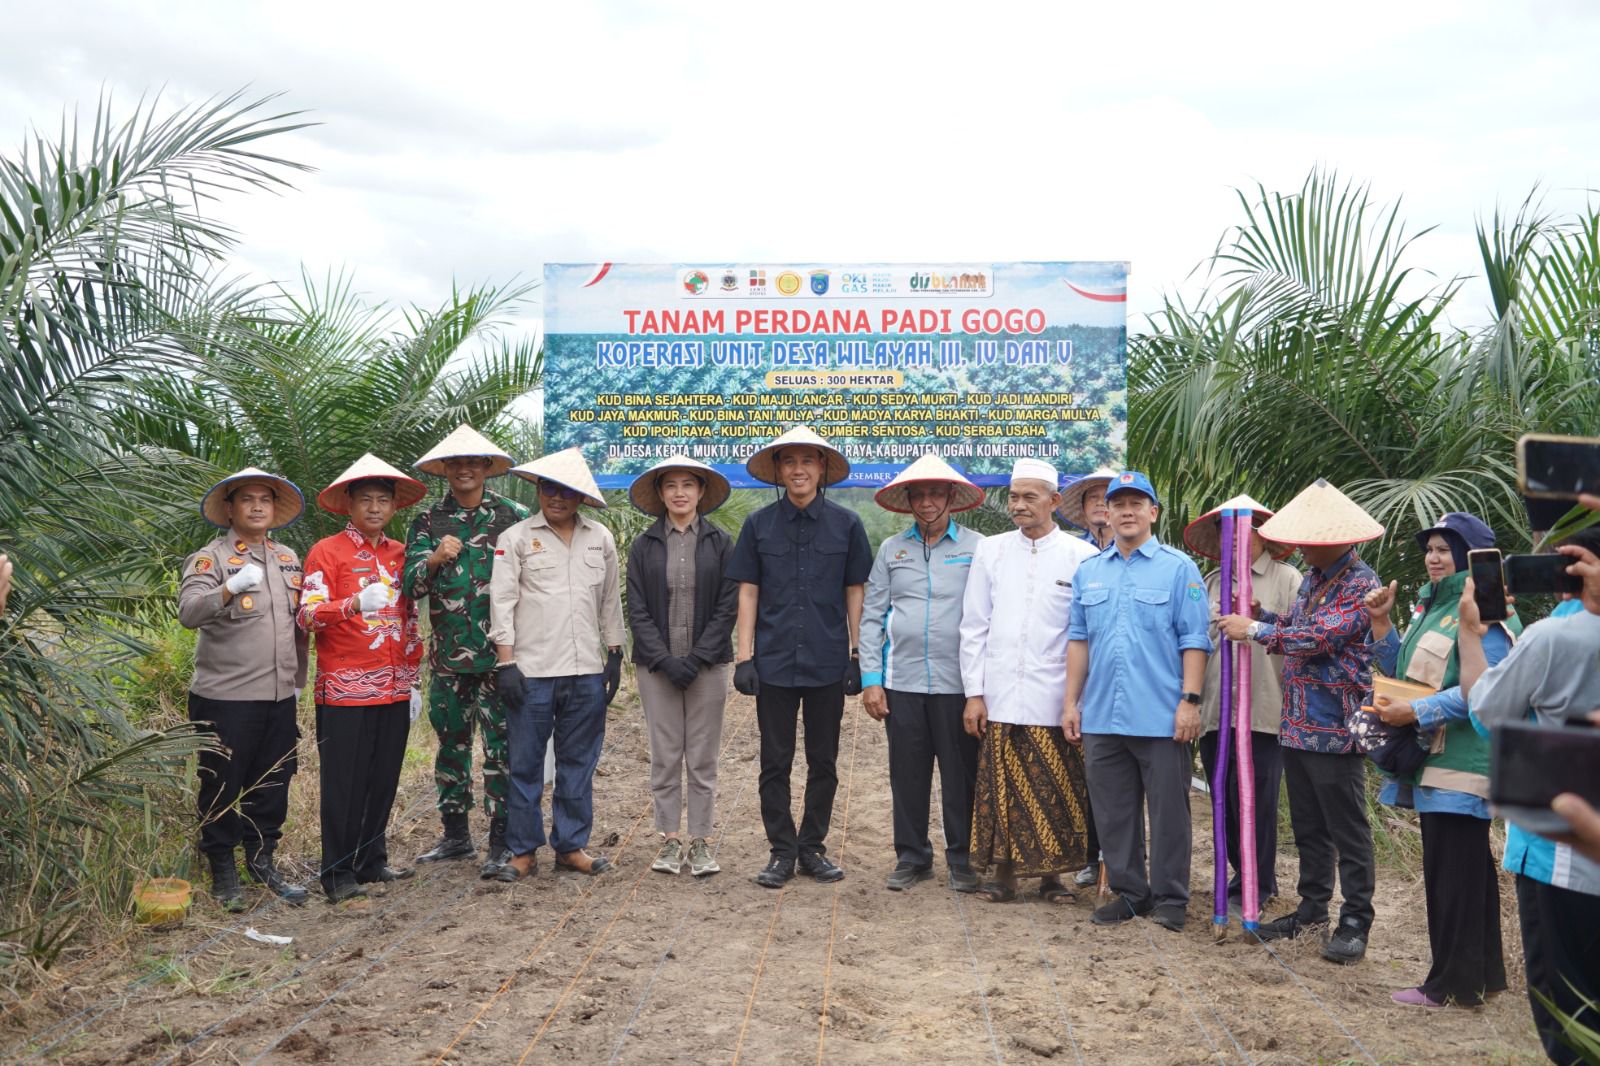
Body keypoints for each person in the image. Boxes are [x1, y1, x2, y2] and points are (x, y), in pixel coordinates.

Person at [1218, 478, 1381, 964]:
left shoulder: (1362, 584)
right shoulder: (1312, 578)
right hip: (1298, 723)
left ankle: (1355, 920)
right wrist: (1264, 613)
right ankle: (1312, 910)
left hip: (1336, 726)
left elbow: (1319, 638)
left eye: (1311, 538)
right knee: (1310, 827)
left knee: (1347, 828)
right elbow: (1298, 626)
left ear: (1334, 538)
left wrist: (1254, 629)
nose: (1301, 545)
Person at [1362, 512, 1517, 1007]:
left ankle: (1450, 986)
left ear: (1471, 557)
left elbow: (1485, 690)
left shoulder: (1487, 612)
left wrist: (1418, 711)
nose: (1432, 557)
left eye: (1444, 549)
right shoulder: (1431, 609)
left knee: (1453, 875)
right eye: (1429, 548)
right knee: (1467, 873)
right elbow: (1405, 676)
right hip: (1434, 759)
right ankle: (1483, 979)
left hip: (1463, 762)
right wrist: (1382, 625)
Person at [1462, 525, 1600, 1063]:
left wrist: (1473, 633)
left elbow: (1486, 709)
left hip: (1560, 854)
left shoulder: (1555, 637)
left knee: (1571, 1021)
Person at [725, 425, 872, 888]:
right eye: (789, 461)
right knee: (775, 760)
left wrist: (856, 654)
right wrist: (744, 657)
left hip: (828, 661)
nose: (799, 470)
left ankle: (812, 848)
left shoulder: (847, 525)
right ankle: (781, 852)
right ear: (778, 471)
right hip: (773, 662)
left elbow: (856, 592)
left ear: (822, 468)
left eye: (808, 461)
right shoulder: (758, 525)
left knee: (823, 760)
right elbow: (748, 591)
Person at [1064, 471, 1211, 931]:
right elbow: (1078, 640)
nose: (1126, 511)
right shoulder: (1089, 571)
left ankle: (1170, 899)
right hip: (1103, 714)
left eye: (1136, 503)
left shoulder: (1178, 568)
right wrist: (1072, 703)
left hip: (1162, 715)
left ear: (1153, 513)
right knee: (1112, 812)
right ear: (1105, 513)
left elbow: (1195, 639)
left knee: (1169, 814)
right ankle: (1131, 893)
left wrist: (1190, 701)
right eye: (1118, 504)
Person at [960, 458, 1098, 904]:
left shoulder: (1083, 556)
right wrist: (974, 694)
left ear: (1055, 502)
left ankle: (1053, 879)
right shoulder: (992, 549)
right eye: (1014, 497)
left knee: (1055, 789)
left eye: (1029, 497)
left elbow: (1089, 633)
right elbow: (974, 624)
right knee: (1000, 792)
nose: (1018, 505)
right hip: (999, 695)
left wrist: (1077, 700)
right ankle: (1001, 875)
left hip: (1056, 697)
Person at [178, 467, 310, 910]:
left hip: (278, 695)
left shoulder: (289, 557)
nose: (257, 506)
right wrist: (229, 588)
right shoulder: (209, 559)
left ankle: (262, 862)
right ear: (230, 509)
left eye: (265, 500)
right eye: (247, 499)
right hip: (225, 696)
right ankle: (223, 872)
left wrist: (298, 683)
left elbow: (300, 626)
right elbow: (190, 612)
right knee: (220, 783)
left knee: (273, 783)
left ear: (273, 509)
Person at [297, 455, 428, 903]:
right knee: (344, 782)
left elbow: (410, 619)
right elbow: (308, 615)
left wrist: (413, 678)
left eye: (383, 500)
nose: (375, 508)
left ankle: (372, 861)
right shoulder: (326, 551)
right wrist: (352, 604)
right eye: (366, 499)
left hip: (394, 685)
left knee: (383, 777)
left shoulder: (401, 554)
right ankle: (336, 873)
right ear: (349, 504)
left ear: (394, 508)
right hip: (345, 687)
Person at [491, 447, 625, 881]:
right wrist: (506, 664)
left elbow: (609, 602)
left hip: (586, 669)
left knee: (578, 762)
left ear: (581, 497)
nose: (557, 497)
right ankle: (522, 851)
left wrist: (615, 653)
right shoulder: (514, 539)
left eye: (567, 490)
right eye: (549, 488)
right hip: (531, 671)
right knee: (526, 764)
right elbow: (502, 603)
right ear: (539, 490)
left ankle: (571, 847)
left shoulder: (600, 539)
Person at [403, 425, 530, 877]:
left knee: (502, 747)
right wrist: (435, 557)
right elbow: (409, 585)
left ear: (485, 468)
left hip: (502, 655)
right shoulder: (427, 522)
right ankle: (456, 835)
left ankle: (501, 839)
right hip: (449, 657)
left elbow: (532, 582)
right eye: (455, 463)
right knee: (451, 744)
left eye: (473, 462)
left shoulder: (513, 517)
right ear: (444, 470)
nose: (464, 469)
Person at [860, 453, 986, 892]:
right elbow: (872, 615)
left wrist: (981, 689)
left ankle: (963, 859)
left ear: (951, 497)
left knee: (960, 774)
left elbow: (990, 615)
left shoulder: (978, 548)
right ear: (909, 500)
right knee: (907, 774)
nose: (928, 502)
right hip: (902, 682)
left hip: (959, 684)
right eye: (920, 494)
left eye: (936, 493)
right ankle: (913, 857)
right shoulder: (892, 550)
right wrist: (871, 680)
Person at [1182, 494, 1299, 914]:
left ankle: (1259, 882)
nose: (1233, 536)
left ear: (1259, 532)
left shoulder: (1287, 580)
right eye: (1224, 529)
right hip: (1216, 708)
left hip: (1265, 709)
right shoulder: (1210, 583)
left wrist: (1259, 619)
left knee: (1259, 799)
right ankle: (1239, 871)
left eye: (1242, 527)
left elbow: (1299, 637)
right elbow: (1195, 639)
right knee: (1224, 797)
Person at [625, 454, 738, 878]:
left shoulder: (720, 543)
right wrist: (666, 660)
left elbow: (728, 606)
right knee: (666, 755)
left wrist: (696, 658)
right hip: (657, 669)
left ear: (701, 492)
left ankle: (702, 841)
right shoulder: (645, 545)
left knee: (703, 756)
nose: (679, 493)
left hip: (707, 667)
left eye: (688, 485)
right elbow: (637, 609)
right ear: (660, 494)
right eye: (670, 485)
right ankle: (670, 840)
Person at [1054, 467, 1118, 886]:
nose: (1100, 502)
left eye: (1107, 496)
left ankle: (1120, 860)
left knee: (1120, 777)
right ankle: (1088, 855)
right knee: (1084, 772)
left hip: (1121, 677)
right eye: (1093, 496)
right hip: (1075, 677)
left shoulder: (1147, 554)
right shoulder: (1071, 555)